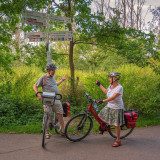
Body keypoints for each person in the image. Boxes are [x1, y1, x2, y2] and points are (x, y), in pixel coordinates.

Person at [33, 63, 68, 138]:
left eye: (54, 70)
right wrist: (38, 94)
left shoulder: (53, 77)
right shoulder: (43, 77)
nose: (54, 71)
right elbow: (35, 86)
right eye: (53, 70)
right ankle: (46, 132)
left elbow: (55, 84)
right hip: (47, 100)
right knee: (47, 115)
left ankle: (63, 131)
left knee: (60, 114)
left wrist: (62, 80)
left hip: (56, 98)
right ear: (48, 71)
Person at [96, 72, 124, 147]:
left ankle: (118, 140)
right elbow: (106, 91)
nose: (109, 79)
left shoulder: (119, 88)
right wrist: (99, 85)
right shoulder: (111, 85)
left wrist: (102, 101)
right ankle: (104, 126)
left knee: (116, 125)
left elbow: (112, 98)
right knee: (100, 115)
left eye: (110, 78)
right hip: (110, 105)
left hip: (116, 108)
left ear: (114, 79)